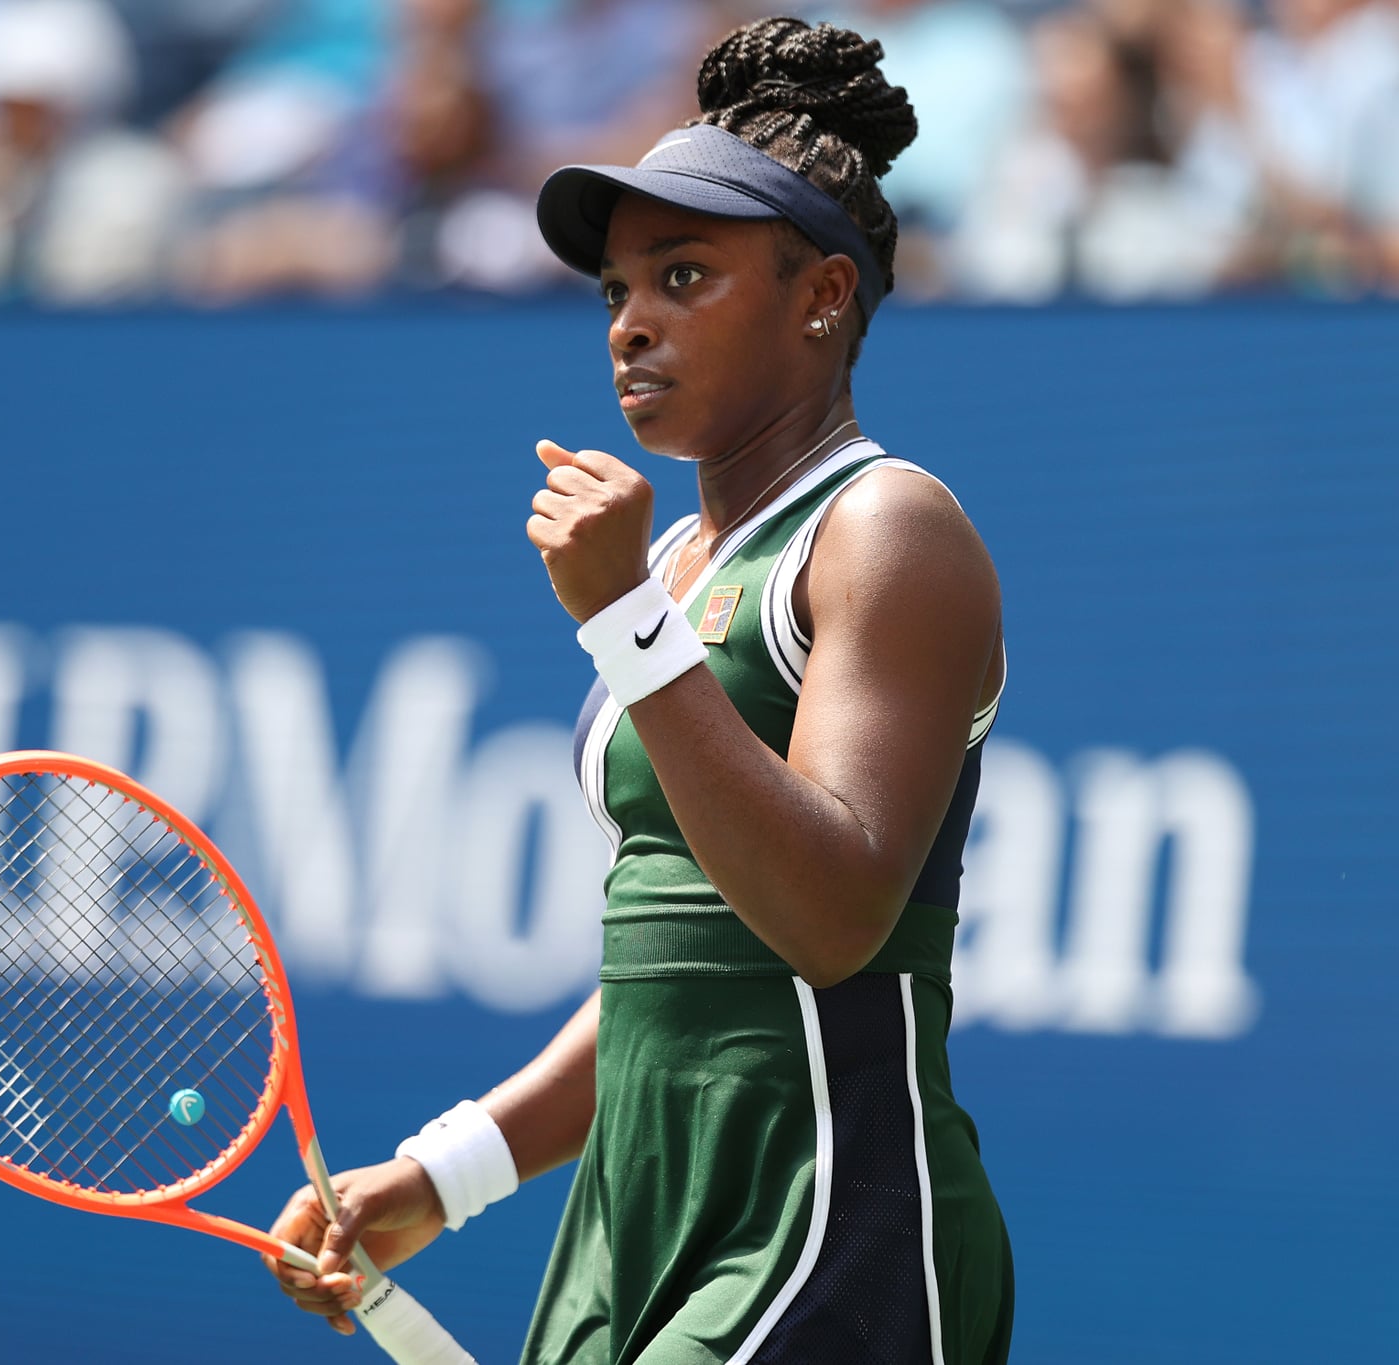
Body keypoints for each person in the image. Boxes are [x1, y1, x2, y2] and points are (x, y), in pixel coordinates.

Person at [264, 15, 1012, 1363]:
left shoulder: (890, 527)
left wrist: (624, 620)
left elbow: (831, 916)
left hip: (827, 1216)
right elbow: (673, 963)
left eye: (683, 276)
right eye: (615, 291)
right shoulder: (675, 561)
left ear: (823, 297)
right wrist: (445, 1175)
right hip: (632, 1220)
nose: (630, 325)